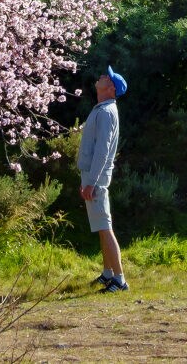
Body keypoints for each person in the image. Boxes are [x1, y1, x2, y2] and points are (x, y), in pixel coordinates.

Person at [78, 66, 127, 293]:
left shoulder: (107, 112)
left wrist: (91, 182)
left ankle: (119, 280)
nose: (102, 76)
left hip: (95, 178)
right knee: (100, 225)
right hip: (92, 176)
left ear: (111, 88)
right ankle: (108, 273)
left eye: (107, 77)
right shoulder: (103, 109)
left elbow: (102, 150)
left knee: (105, 226)